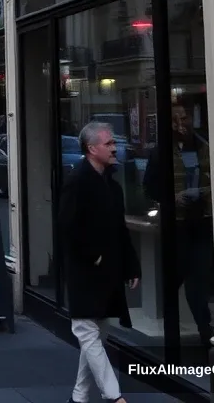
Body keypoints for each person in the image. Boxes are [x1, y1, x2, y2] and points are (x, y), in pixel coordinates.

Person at [59, 121, 140, 403]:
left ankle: (79, 397)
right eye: (108, 144)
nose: (115, 148)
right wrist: (95, 255)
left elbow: (120, 228)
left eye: (114, 143)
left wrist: (131, 265)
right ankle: (114, 396)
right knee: (86, 330)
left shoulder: (111, 183)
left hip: (108, 270)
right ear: (92, 149)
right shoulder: (77, 181)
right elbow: (68, 227)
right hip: (85, 271)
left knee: (97, 334)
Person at [143, 100, 214, 346]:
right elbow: (149, 187)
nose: (182, 123)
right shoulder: (160, 151)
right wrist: (172, 198)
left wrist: (205, 192)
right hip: (177, 224)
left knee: (198, 281)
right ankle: (172, 335)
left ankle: (206, 334)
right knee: (175, 279)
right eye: (176, 119)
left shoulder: (204, 145)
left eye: (185, 118)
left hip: (202, 220)